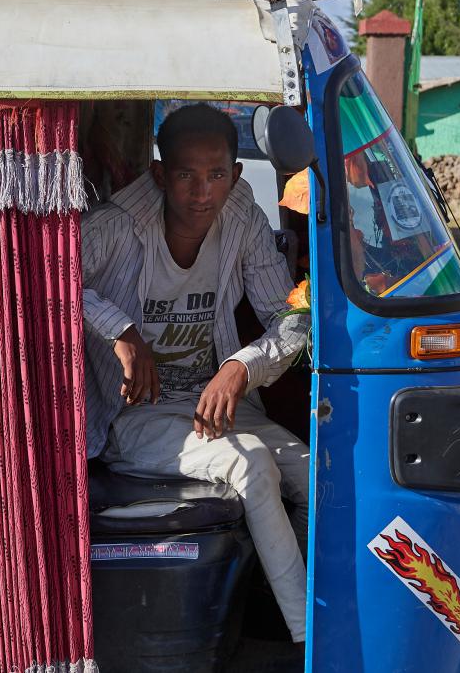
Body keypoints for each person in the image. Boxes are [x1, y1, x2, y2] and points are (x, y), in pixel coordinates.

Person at [81, 104, 311, 644]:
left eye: (215, 176)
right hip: (134, 413)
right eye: (185, 175)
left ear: (234, 175)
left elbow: (292, 318)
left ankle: (278, 607)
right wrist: (121, 331)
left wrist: (241, 365)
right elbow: (48, 283)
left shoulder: (243, 218)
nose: (201, 192)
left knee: (316, 474)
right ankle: (308, 641)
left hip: (217, 403)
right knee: (251, 466)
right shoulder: (116, 225)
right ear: (161, 174)